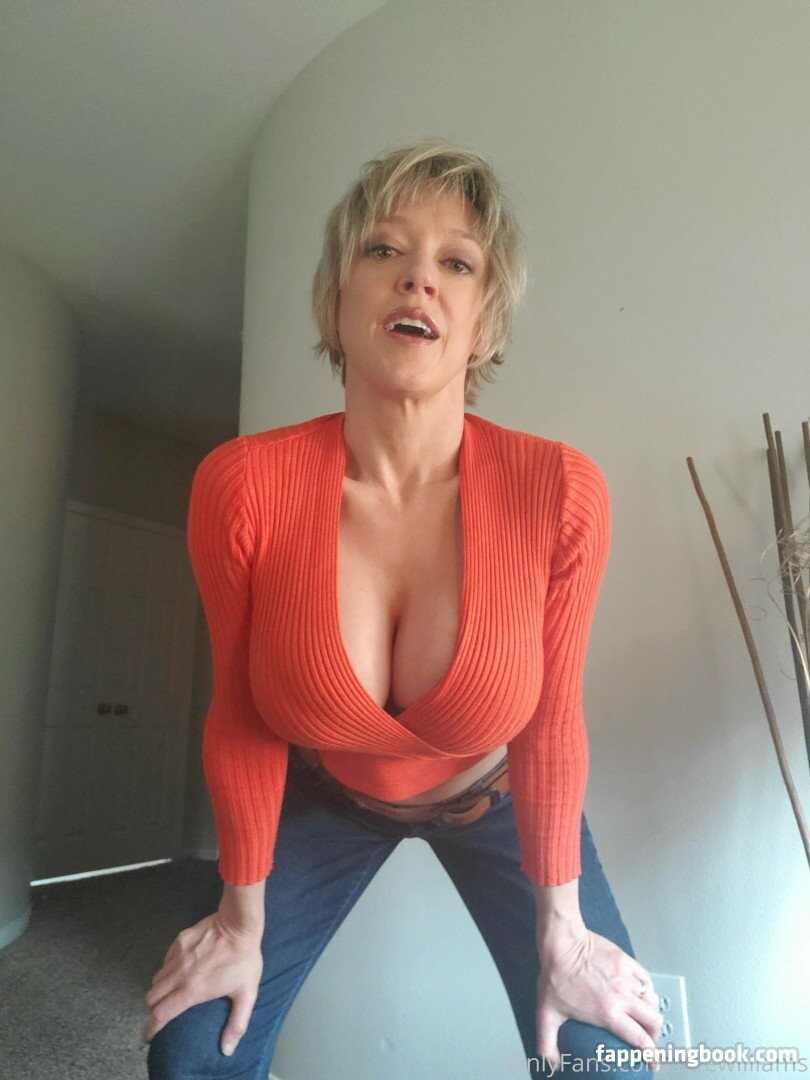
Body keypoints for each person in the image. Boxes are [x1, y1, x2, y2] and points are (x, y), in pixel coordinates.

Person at [143, 139, 663, 1078]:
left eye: (456, 263)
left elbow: (552, 719)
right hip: (321, 796)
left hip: (496, 800)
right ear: (337, 298)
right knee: (193, 1052)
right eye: (383, 249)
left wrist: (564, 931)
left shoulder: (561, 491)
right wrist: (238, 920)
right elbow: (241, 715)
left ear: (483, 321)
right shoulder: (241, 485)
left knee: (603, 1058)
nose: (418, 277)